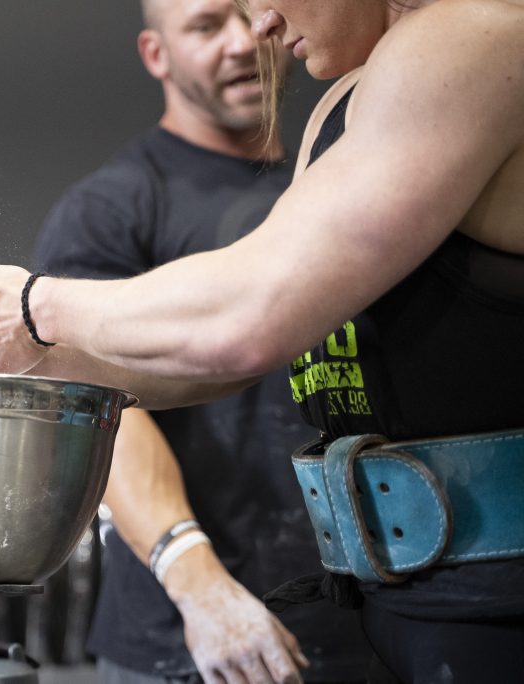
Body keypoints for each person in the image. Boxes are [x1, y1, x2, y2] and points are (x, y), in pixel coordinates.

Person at [0, 0, 524, 680]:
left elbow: (250, 320)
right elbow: (221, 359)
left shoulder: (470, 35)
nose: (260, 27)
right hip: (410, 605)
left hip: (495, 606)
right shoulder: (344, 106)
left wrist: (35, 306)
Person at [29, 0, 369, 681]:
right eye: (207, 27)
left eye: (249, 14)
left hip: (366, 627)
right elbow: (100, 411)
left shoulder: (343, 180)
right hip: (194, 645)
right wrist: (198, 584)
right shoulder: (114, 208)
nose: (241, 43)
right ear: (157, 55)